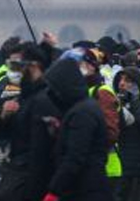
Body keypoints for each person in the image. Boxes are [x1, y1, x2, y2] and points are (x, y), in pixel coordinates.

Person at [0, 42, 59, 201]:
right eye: (11, 65)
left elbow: (43, 152)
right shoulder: (21, 95)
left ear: (33, 66)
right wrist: (3, 117)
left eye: (17, 65)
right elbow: (9, 133)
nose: (13, 71)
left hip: (30, 181)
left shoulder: (45, 98)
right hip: (16, 173)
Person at [44, 58, 110, 201]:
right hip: (88, 187)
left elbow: (75, 156)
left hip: (86, 190)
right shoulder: (82, 107)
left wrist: (54, 190)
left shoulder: (82, 112)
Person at [79, 48, 122, 199]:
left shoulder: (102, 92)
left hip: (107, 168)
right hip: (92, 168)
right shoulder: (86, 91)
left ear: (93, 67)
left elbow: (111, 132)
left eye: (84, 64)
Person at [113, 67, 140, 201]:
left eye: (128, 80)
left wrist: (133, 102)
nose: (122, 83)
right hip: (120, 169)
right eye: (120, 80)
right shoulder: (116, 104)